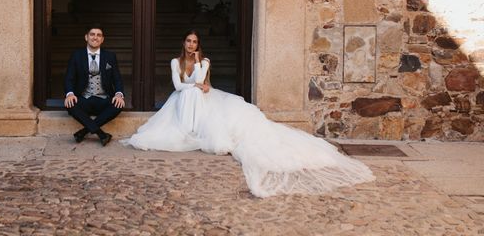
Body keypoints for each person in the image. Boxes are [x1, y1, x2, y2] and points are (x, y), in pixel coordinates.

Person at [122, 29, 375, 197]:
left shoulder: (204, 61)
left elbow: (205, 85)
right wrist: (196, 84)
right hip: (183, 101)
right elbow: (178, 86)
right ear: (183, 43)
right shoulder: (175, 63)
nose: (191, 45)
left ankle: (200, 127)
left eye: (195, 42)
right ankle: (189, 128)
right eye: (188, 41)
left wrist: (199, 66)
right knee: (185, 98)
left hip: (203, 100)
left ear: (199, 45)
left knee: (221, 112)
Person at [64, 24, 125, 146]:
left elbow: (117, 78)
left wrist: (119, 94)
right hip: (84, 98)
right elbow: (69, 78)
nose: (95, 37)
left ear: (102, 39)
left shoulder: (110, 56)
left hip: (104, 98)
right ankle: (101, 134)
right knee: (70, 105)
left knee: (118, 105)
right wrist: (69, 94)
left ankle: (83, 132)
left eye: (99, 35)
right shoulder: (77, 55)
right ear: (86, 37)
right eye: (92, 34)